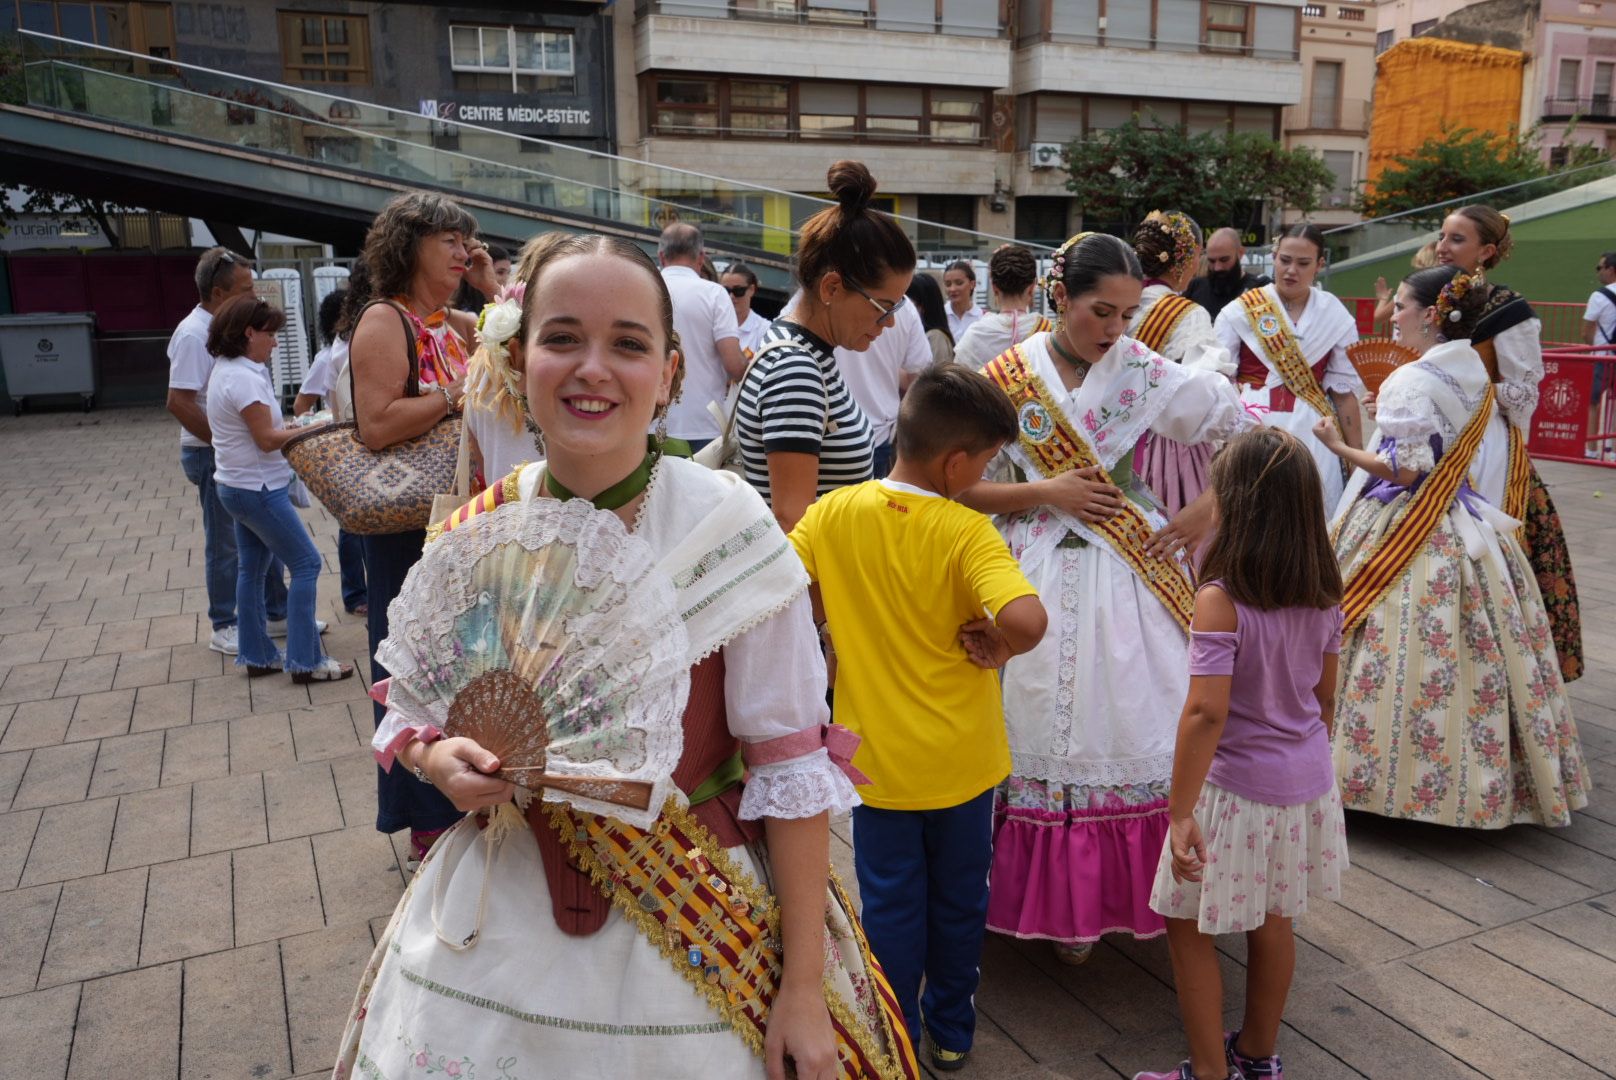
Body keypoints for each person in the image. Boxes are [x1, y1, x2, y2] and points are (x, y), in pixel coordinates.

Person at [333, 232, 917, 1080]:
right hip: (497, 909)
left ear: (671, 373)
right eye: (561, 338)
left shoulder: (732, 530)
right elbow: (417, 710)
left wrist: (800, 989)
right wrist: (435, 757)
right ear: (517, 361)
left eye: (629, 344)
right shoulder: (477, 529)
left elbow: (788, 770)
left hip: (698, 910)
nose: (592, 368)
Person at [959, 232, 1252, 965]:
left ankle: (1115, 895)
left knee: (1129, 711)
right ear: (1059, 295)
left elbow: (1245, 439)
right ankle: (1032, 899)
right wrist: (1044, 491)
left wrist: (1206, 510)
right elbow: (957, 482)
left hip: (1131, 568)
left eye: (1127, 314)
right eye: (1102, 312)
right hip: (1024, 572)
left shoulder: (1145, 371)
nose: (1115, 330)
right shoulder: (1002, 374)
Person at [789, 364, 1046, 1073]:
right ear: (956, 462)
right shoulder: (967, 531)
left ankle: (892, 1036)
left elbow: (781, 586)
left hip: (876, 766)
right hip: (965, 765)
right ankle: (952, 1031)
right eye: (988, 461)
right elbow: (1027, 617)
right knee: (961, 905)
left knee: (891, 909)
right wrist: (1001, 643)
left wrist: (829, 614)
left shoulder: (832, 514)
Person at [1320, 266, 1589, 829]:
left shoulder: (1411, 380)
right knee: (1482, 646)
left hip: (1403, 523)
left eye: (1400, 305)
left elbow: (1406, 468)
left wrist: (1339, 446)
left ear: (1429, 313)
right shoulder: (1472, 372)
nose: (1392, 315)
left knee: (1377, 636)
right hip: (1463, 519)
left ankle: (1370, 780)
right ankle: (1475, 782)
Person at [1135, 427, 1349, 1080]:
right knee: (1275, 920)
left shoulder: (1220, 598)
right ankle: (1257, 1055)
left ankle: (1207, 1071)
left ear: (1236, 504)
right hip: (1304, 781)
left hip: (1233, 790)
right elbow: (1325, 698)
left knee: (1187, 924)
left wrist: (1178, 811)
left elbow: (1206, 711)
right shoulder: (1324, 586)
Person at [349, 191, 498, 864]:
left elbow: (510, 332)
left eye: (467, 240)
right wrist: (448, 396)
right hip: (408, 526)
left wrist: (490, 285)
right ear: (409, 247)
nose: (463, 250)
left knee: (461, 662)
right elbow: (376, 424)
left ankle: (463, 784)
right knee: (412, 664)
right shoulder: (387, 321)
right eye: (450, 241)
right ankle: (423, 813)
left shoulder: (449, 320)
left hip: (456, 522)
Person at [1436, 205, 1583, 682]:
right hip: (1431, 437)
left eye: (1457, 239)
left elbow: (1523, 393)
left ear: (1487, 251)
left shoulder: (1509, 310)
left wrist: (1457, 385)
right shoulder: (1429, 294)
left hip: (1485, 448)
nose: (1443, 246)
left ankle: (1498, 670)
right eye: (1443, 236)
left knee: (1484, 550)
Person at [735, 161, 911, 530]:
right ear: (831, 288)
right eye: (883, 307)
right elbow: (792, 520)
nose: (890, 321)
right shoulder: (796, 369)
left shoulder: (805, 351)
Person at [203, 295, 355, 685]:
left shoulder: (229, 368)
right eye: (269, 334)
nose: (274, 342)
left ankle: (257, 654)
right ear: (248, 332)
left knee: (250, 570)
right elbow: (267, 440)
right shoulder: (243, 376)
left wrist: (292, 428)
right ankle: (306, 661)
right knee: (306, 564)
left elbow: (262, 434)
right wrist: (318, 428)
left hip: (236, 485)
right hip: (257, 488)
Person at [166, 246, 290, 657]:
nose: (254, 299)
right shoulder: (193, 333)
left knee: (264, 534)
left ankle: (277, 611)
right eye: (245, 290)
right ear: (218, 294)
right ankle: (224, 623)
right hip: (212, 453)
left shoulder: (229, 325)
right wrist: (224, 444)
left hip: (235, 452)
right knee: (226, 543)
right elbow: (179, 401)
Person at [1212, 223, 1365, 516]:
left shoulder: (1335, 315)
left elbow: (1344, 394)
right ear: (1274, 256)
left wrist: (1356, 457)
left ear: (1319, 264)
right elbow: (1219, 382)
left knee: (1311, 516)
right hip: (1252, 425)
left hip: (1314, 431)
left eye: (1303, 263)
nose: (1291, 270)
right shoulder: (1241, 310)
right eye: (1284, 260)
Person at [1129, 211, 1232, 517]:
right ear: (1187, 258)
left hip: (1113, 435)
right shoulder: (1188, 314)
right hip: (1169, 449)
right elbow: (1207, 394)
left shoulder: (1116, 303)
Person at [293, 286, 368, 616]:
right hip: (345, 446)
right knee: (351, 526)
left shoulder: (359, 345)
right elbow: (300, 404)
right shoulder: (329, 357)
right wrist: (325, 420)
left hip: (362, 444)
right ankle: (354, 594)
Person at [659, 223, 745, 453]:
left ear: (661, 256)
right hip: (705, 424)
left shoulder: (645, 288)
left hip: (652, 421)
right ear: (700, 257)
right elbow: (734, 365)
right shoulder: (714, 294)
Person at [835, 283, 932, 480]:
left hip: (828, 435)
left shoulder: (818, 303)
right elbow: (920, 377)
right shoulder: (906, 308)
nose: (889, 322)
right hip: (877, 433)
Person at [952, 244, 1052, 369]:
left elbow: (958, 383)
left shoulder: (975, 334)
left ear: (994, 288)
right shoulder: (1048, 332)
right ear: (1032, 288)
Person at [1185, 228, 1270, 319]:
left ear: (1240, 253)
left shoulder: (1260, 289)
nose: (1217, 268)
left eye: (1224, 260)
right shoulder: (1195, 287)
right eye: (1212, 261)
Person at [1372, 240, 1439, 328]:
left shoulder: (1406, 292)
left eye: (1420, 267)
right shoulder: (1447, 293)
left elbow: (1378, 317)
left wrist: (1383, 299)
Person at [722, 261, 771, 357]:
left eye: (738, 290)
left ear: (751, 290)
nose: (731, 296)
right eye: (725, 290)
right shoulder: (712, 323)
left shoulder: (764, 330)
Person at [906, 273, 955, 366]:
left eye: (908, 303)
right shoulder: (917, 333)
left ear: (923, 306)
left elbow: (936, 377)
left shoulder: (936, 337)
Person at [452, 242, 511, 312]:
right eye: (500, 272)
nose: (506, 278)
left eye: (509, 273)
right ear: (482, 271)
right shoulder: (462, 311)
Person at [943, 260, 983, 341]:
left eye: (959, 283)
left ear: (972, 284)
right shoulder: (940, 316)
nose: (952, 289)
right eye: (948, 284)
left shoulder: (982, 318)